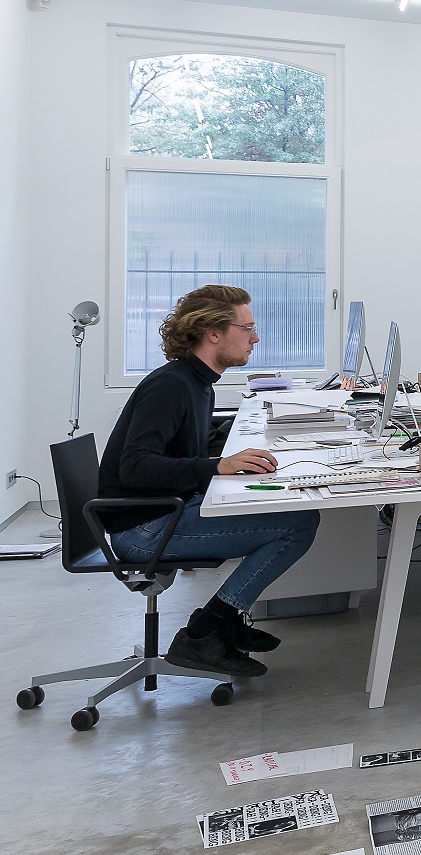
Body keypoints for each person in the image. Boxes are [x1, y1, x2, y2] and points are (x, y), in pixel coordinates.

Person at [99, 285, 319, 679]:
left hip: (163, 510)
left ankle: (226, 620)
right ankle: (208, 629)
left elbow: (184, 445)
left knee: (282, 507)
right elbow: (136, 466)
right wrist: (218, 465)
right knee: (299, 523)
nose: (255, 337)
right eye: (247, 328)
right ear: (213, 333)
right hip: (143, 528)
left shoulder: (195, 382)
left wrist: (237, 438)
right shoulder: (171, 386)